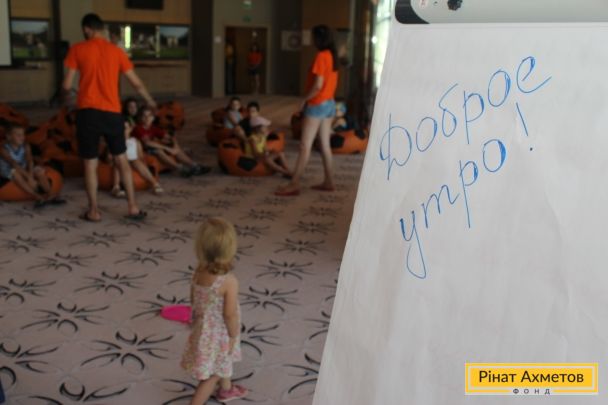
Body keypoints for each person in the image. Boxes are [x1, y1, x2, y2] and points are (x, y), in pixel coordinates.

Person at [62, 13, 155, 222]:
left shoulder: (77, 49)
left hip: (88, 112)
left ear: (87, 29)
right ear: (101, 28)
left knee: (90, 163)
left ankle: (94, 211)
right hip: (113, 112)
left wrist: (68, 98)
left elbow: (67, 85)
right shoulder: (116, 51)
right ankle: (133, 207)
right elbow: (136, 83)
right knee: (121, 159)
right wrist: (150, 101)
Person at [181, 217, 248, 404]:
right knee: (214, 374)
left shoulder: (198, 271)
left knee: (222, 362)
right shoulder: (229, 281)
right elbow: (229, 314)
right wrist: (233, 334)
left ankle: (226, 390)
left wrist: (196, 318)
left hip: (203, 328)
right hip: (220, 334)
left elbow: (194, 298)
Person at [276, 25, 338, 196]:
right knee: (325, 145)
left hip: (317, 104)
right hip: (330, 103)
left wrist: (304, 99)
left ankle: (294, 183)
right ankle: (329, 182)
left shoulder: (321, 56)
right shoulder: (332, 55)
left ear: (318, 39)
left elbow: (317, 86)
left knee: (305, 145)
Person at [0, 124, 66, 208]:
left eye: (23, 134)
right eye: (18, 135)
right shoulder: (3, 148)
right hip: (7, 168)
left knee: (40, 171)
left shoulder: (26, 145)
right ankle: (37, 196)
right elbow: (13, 164)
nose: (22, 137)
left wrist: (30, 175)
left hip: (23, 166)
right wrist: (28, 177)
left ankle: (51, 195)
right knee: (15, 173)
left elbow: (30, 160)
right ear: (9, 137)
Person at [133, 107, 209, 177]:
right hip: (141, 151)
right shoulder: (138, 128)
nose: (147, 118)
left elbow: (169, 137)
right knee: (157, 150)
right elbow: (147, 143)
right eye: (144, 116)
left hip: (151, 148)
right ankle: (180, 168)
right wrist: (167, 148)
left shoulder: (153, 128)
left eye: (149, 116)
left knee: (172, 147)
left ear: (152, 118)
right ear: (140, 118)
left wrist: (175, 145)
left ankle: (194, 166)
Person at [109, 120, 164, 197]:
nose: (123, 130)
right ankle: (116, 187)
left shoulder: (134, 141)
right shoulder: (115, 141)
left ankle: (155, 184)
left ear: (130, 129)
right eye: (121, 128)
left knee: (136, 161)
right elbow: (110, 157)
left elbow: (140, 156)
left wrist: (144, 165)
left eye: (126, 128)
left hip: (133, 162)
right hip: (120, 162)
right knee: (119, 162)